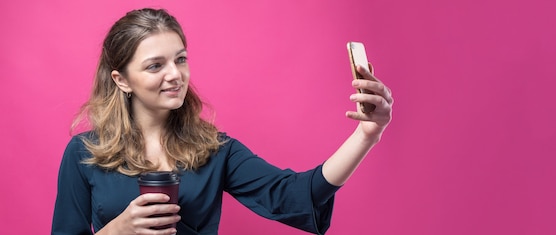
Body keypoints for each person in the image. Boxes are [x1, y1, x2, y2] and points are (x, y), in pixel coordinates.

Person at [52, 8, 393, 235]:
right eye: (156, 66)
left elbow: (294, 195)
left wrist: (366, 135)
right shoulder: (84, 154)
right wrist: (115, 231)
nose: (175, 75)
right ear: (122, 80)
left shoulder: (215, 150)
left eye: (180, 59)